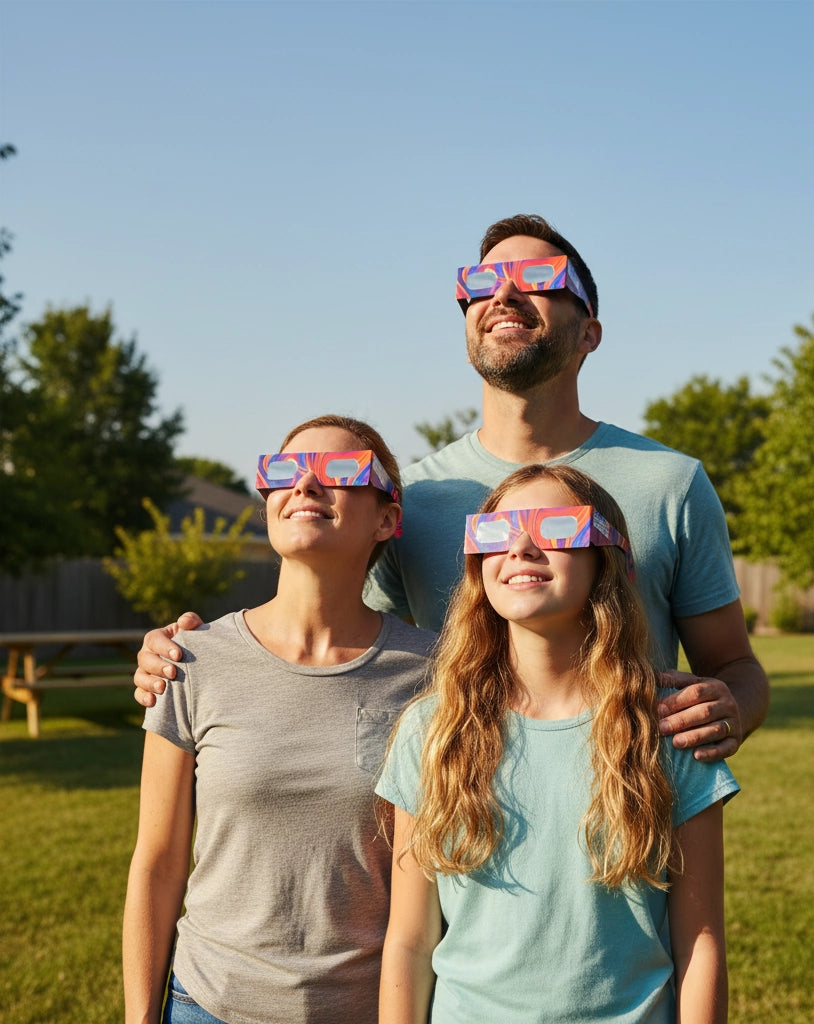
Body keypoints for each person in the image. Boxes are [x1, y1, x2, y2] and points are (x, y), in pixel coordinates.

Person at [132, 214, 768, 761]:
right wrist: (194, 655)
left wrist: (731, 706)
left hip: (629, 841)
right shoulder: (416, 500)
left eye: (540, 281)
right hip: (459, 850)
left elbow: (736, 666)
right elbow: (339, 644)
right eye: (482, 284)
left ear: (589, 333)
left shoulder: (671, 481)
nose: (506, 295)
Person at [376, 464, 739, 1023]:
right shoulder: (432, 730)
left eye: (556, 528)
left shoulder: (669, 730)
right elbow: (409, 941)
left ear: (609, 560)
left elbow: (702, 943)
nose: (521, 545)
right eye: (496, 532)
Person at [122, 415, 435, 1024]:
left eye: (341, 472)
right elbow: (157, 863)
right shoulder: (189, 661)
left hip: (367, 1008)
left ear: (386, 519)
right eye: (286, 471)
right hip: (207, 1005)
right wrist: (140, 1016)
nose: (307, 485)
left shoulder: (431, 671)